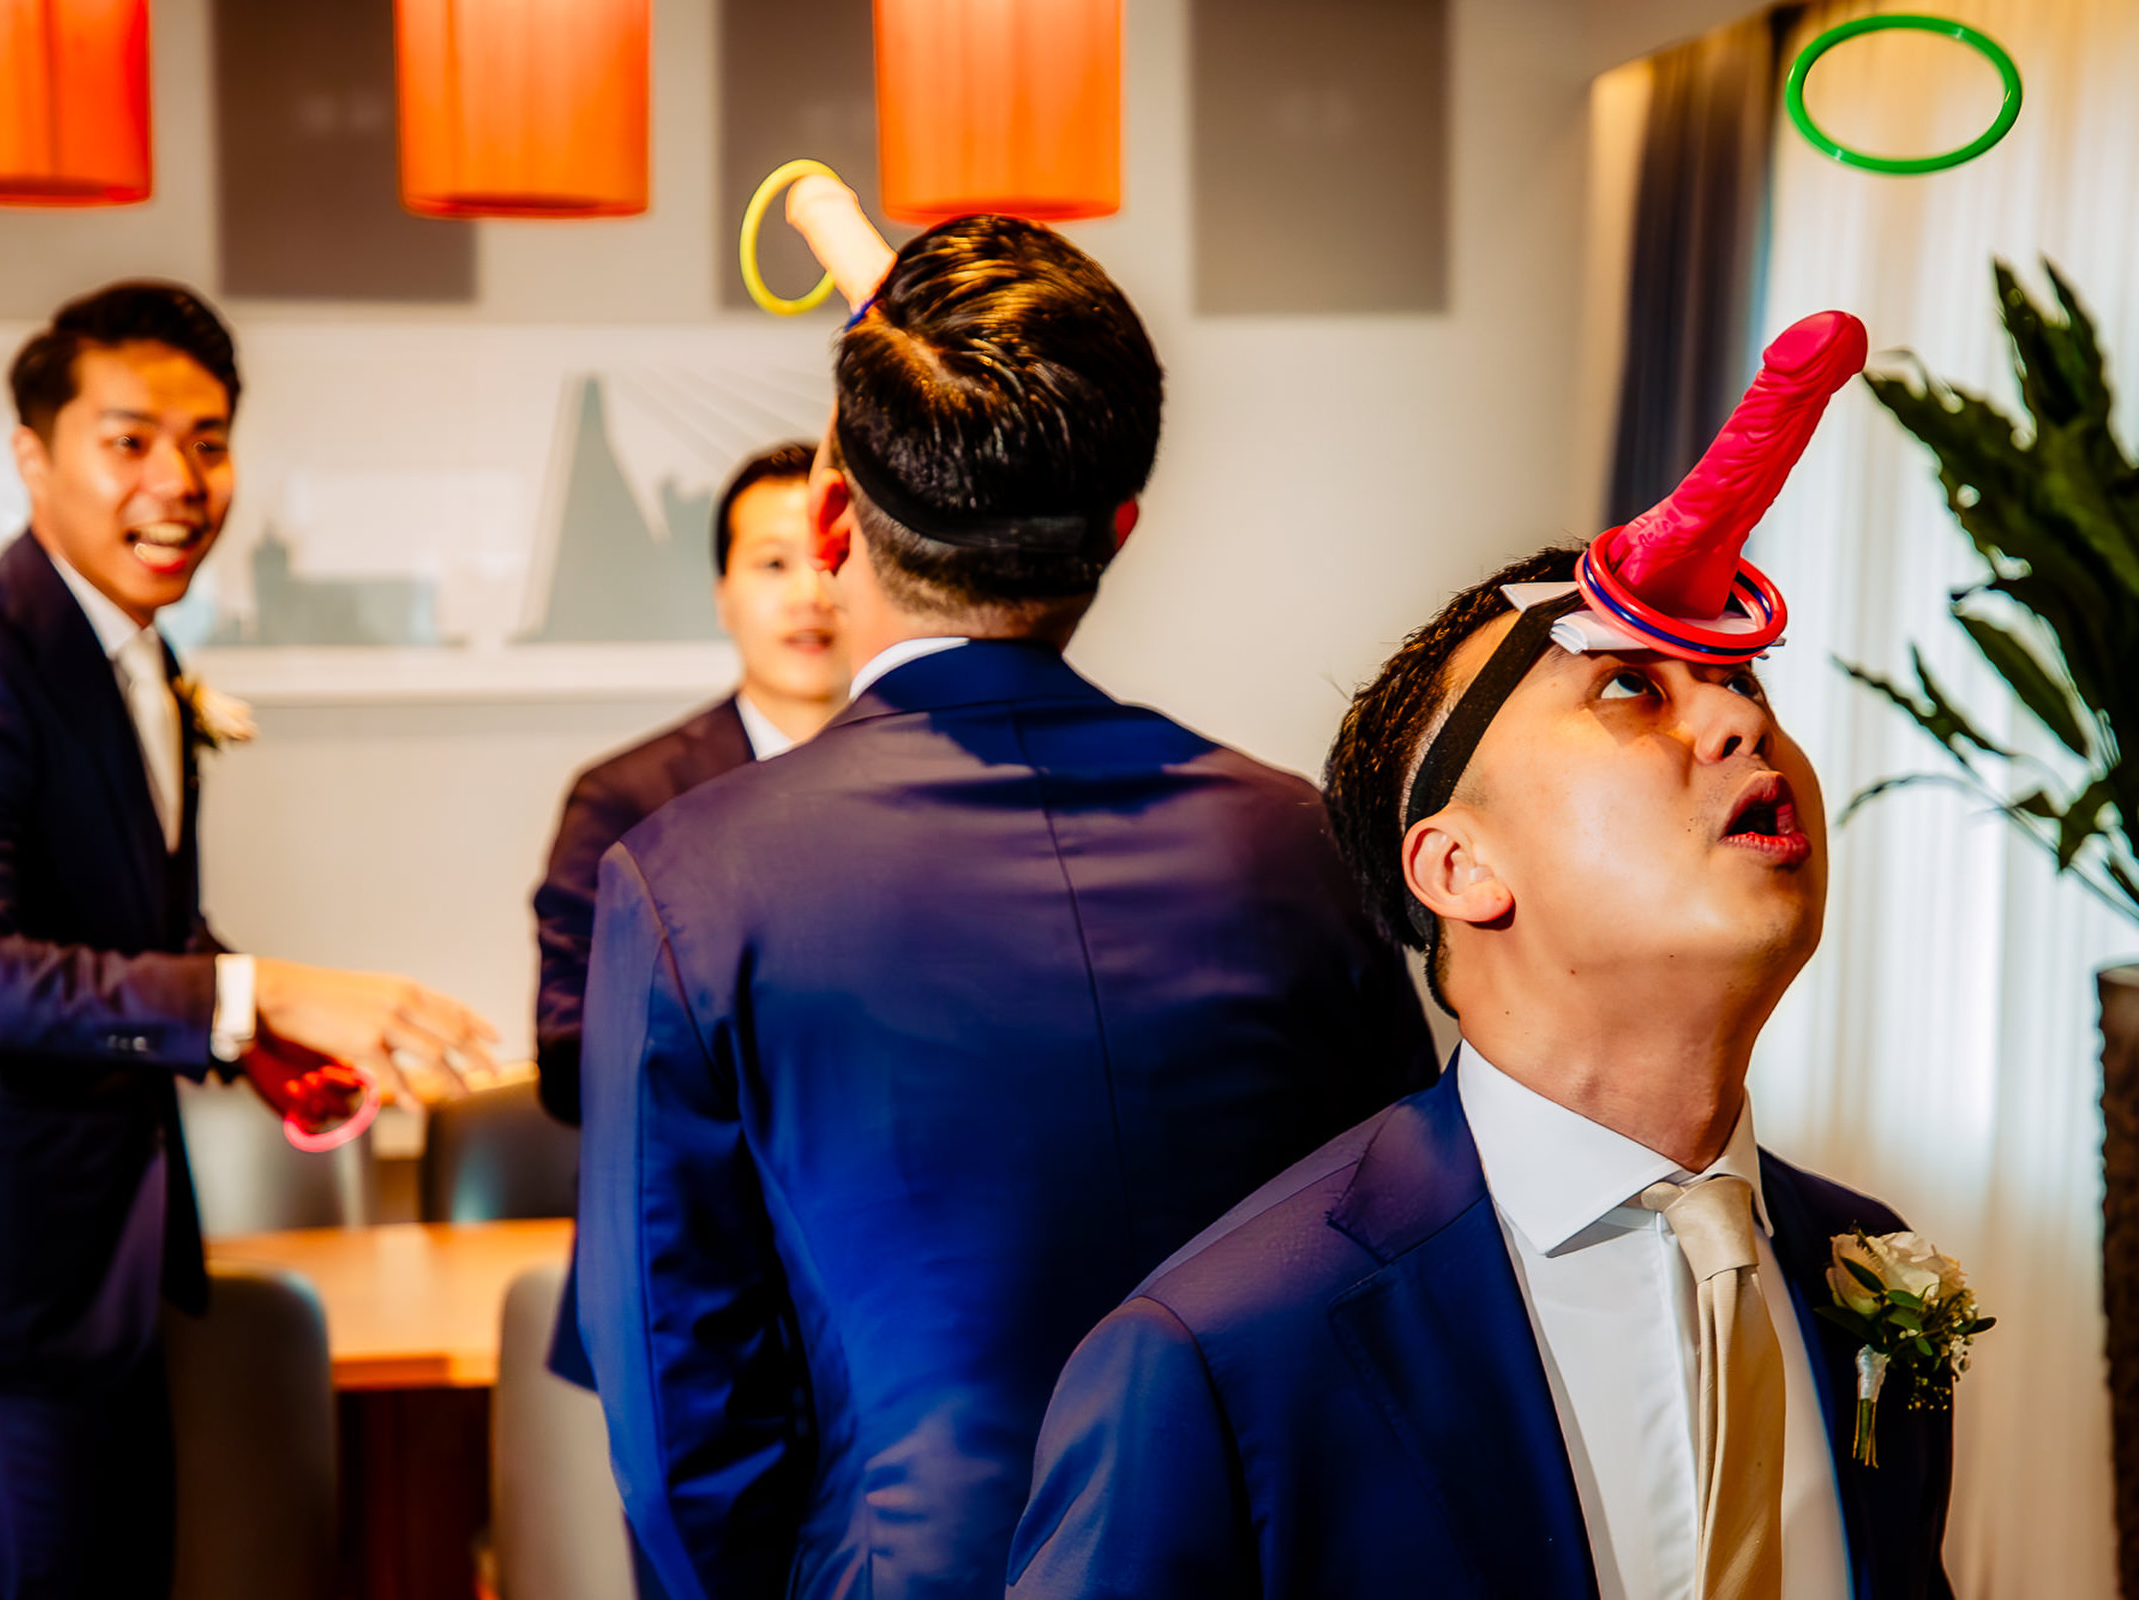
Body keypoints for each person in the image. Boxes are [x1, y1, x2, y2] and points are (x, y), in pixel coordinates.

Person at [1007, 312, 1958, 1600]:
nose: (1740, 718)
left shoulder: (1860, 1263)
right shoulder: (1220, 1356)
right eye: (1633, 690)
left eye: (1748, 687)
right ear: (1460, 868)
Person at [575, 198, 1437, 1600]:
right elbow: (1390, 1269)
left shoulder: (691, 880)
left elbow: (684, 1400)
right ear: (1120, 526)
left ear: (831, 513)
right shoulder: (1300, 842)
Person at [0, 281, 501, 1600]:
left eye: (208, 441)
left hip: (101, 1265)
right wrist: (256, 993)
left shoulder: (130, 654)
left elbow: (121, 923)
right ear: (34, 455)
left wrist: (269, 1039)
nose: (178, 482)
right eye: (129, 440)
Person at [532, 440, 844, 1129]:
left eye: (835, 559)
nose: (811, 595)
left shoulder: (938, 783)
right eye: (773, 564)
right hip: (698, 1217)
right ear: (722, 596)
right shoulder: (627, 799)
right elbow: (568, 1052)